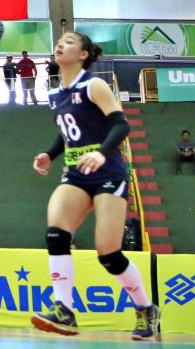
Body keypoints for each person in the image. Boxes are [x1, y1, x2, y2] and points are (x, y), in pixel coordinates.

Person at [29, 32, 159, 341]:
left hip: (107, 171)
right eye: (59, 40)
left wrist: (101, 153)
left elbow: (121, 124)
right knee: (55, 235)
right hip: (75, 173)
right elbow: (68, 133)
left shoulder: (94, 85)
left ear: (84, 54)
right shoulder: (56, 94)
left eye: (70, 41)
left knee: (108, 254)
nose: (61, 44)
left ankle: (145, 308)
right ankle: (64, 309)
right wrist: (50, 153)